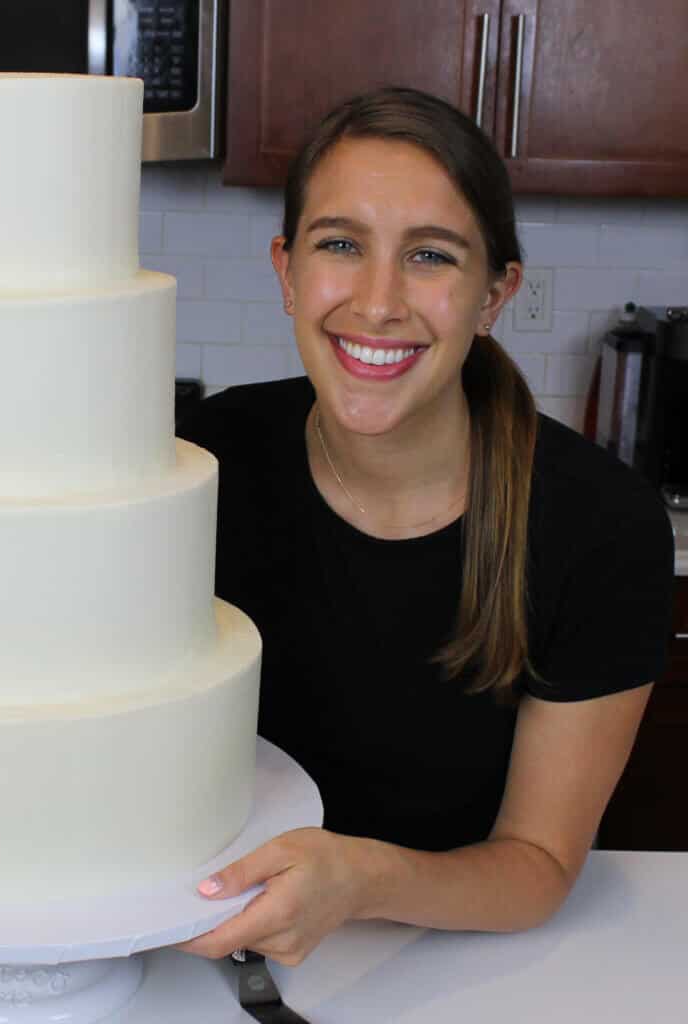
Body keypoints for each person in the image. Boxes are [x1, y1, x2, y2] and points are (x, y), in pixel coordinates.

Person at [175, 86, 674, 966]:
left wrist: (363, 879)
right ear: (288, 273)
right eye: (340, 245)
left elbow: (539, 864)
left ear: (494, 292)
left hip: (453, 962)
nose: (377, 302)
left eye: (431, 257)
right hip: (204, 941)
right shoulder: (202, 468)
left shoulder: (603, 527)